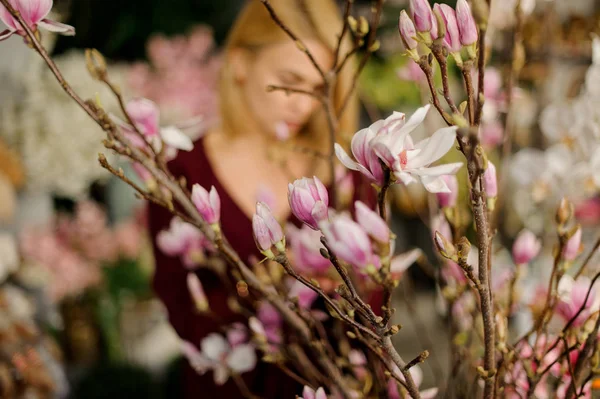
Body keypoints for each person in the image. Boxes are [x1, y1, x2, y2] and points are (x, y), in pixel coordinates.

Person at [147, 0, 373, 396]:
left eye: (318, 89)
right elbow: (181, 306)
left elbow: (376, 303)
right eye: (289, 82)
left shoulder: (344, 171)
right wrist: (266, 291)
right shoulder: (184, 173)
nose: (303, 105)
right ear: (239, 64)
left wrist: (346, 284)